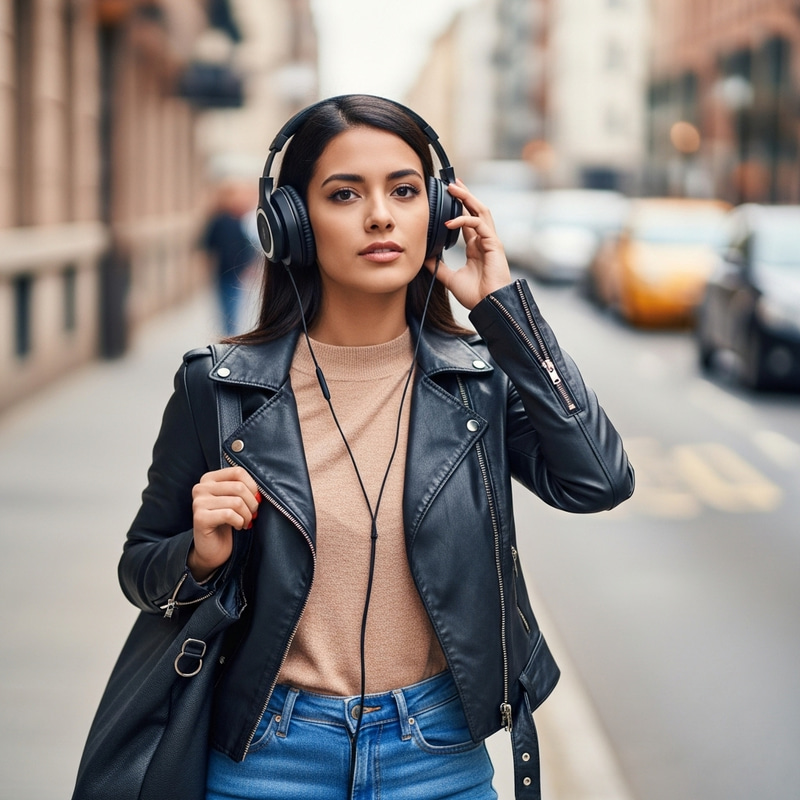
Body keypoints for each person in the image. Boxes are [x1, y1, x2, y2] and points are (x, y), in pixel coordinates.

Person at [120, 95, 634, 800]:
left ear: (437, 215)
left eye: (403, 189)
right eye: (343, 194)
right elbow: (140, 569)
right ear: (290, 225)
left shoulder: (478, 383)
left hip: (438, 756)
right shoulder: (218, 388)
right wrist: (198, 556)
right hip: (267, 757)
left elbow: (600, 479)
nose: (380, 216)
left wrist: (506, 311)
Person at [201, 179, 258, 335]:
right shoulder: (219, 221)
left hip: (235, 271)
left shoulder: (238, 220)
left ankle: (230, 334)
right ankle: (229, 335)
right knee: (227, 306)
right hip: (224, 271)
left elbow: (247, 246)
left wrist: (249, 265)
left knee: (232, 306)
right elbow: (208, 246)